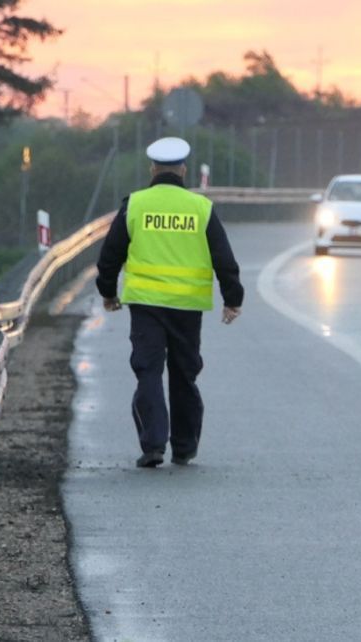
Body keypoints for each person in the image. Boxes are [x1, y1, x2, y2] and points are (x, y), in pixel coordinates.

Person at [95, 136, 244, 468]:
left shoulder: (135, 205)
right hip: (187, 307)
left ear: (152, 169)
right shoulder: (200, 208)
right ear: (183, 169)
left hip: (145, 305)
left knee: (148, 371)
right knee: (184, 374)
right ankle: (184, 446)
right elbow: (224, 258)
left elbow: (110, 255)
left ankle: (153, 444)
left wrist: (108, 293)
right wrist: (232, 299)